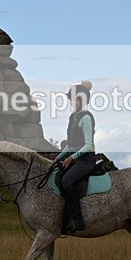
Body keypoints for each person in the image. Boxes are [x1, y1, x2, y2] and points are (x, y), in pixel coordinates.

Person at [54, 80, 96, 234]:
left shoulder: (85, 118)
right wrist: (58, 158)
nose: (70, 101)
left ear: (80, 100)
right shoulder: (73, 117)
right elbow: (71, 144)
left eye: (72, 98)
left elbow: (88, 145)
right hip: (75, 158)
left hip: (86, 160)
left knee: (66, 181)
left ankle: (77, 219)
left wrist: (71, 158)